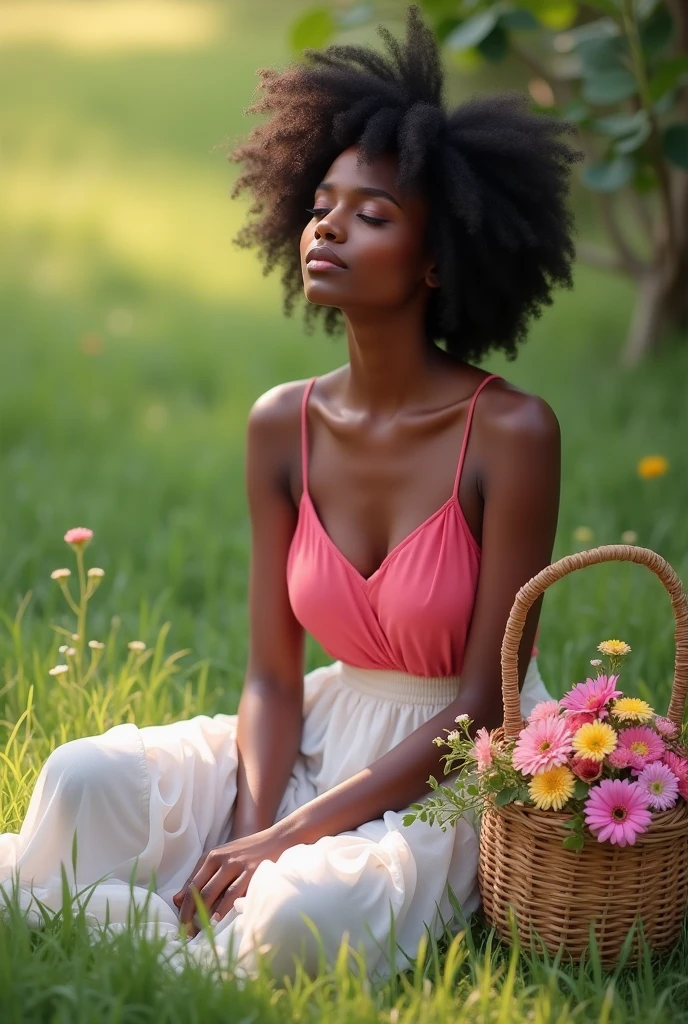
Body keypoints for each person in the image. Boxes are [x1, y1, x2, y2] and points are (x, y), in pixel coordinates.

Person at [0, 3, 580, 982]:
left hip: (444, 769)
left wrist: (288, 848)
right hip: (313, 729)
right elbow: (271, 677)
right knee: (79, 776)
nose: (330, 224)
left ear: (439, 261)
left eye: (374, 213)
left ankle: (178, 924)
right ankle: (181, 911)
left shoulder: (512, 432)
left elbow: (484, 705)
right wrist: (254, 822)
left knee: (303, 911)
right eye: (322, 202)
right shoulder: (283, 422)